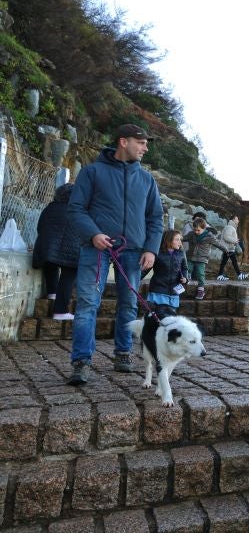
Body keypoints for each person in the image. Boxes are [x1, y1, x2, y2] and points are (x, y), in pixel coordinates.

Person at [66, 124, 163, 384]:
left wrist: (151, 249)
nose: (145, 148)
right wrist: (93, 234)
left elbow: (155, 218)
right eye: (141, 143)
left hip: (133, 252)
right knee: (88, 304)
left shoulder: (146, 179)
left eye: (146, 144)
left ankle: (123, 353)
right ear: (123, 141)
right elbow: (75, 209)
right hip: (95, 248)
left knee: (129, 305)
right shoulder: (92, 172)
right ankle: (81, 362)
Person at [32, 183, 80, 320]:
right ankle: (60, 311)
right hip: (70, 250)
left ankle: (52, 293)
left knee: (50, 263)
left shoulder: (49, 208)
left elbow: (40, 226)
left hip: (46, 247)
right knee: (69, 274)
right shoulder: (76, 210)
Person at [182, 217, 228, 300]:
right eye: (195, 230)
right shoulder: (191, 234)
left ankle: (201, 289)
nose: (196, 232)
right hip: (190, 256)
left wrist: (226, 249)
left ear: (204, 228)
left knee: (200, 273)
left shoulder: (209, 236)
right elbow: (183, 238)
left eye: (198, 230)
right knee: (187, 269)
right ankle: (184, 282)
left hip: (202, 258)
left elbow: (218, 244)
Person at [147, 229, 189, 318]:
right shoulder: (157, 253)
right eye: (177, 239)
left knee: (171, 319)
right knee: (157, 318)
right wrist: (134, 280)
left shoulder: (181, 253)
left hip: (174, 292)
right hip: (158, 291)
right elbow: (145, 269)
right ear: (168, 241)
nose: (180, 242)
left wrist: (185, 278)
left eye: (180, 239)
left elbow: (184, 268)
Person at [216, 215, 248, 281]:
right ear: (233, 219)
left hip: (229, 248)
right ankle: (239, 275)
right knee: (232, 262)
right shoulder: (230, 227)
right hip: (228, 248)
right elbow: (226, 237)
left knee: (228, 262)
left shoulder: (231, 227)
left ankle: (221, 275)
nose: (238, 221)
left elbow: (228, 237)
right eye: (237, 219)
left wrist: (235, 240)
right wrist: (235, 241)